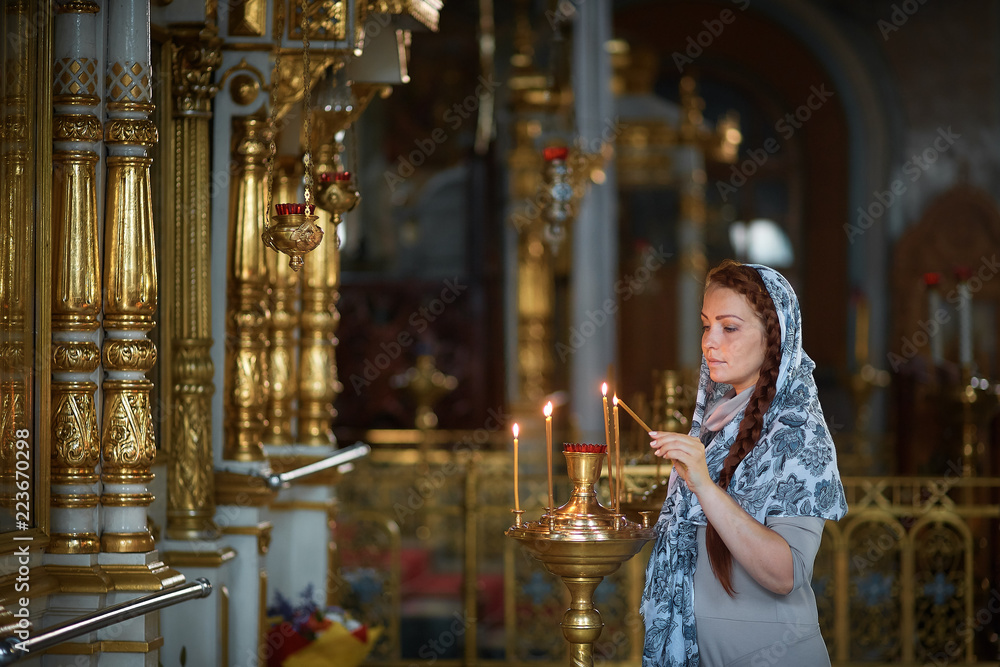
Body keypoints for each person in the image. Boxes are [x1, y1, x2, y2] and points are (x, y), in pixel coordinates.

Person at [641, 260, 847, 666]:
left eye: (729, 327)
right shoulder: (717, 422)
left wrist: (703, 484)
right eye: (706, 325)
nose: (709, 342)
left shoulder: (799, 430)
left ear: (774, 336)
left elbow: (786, 574)